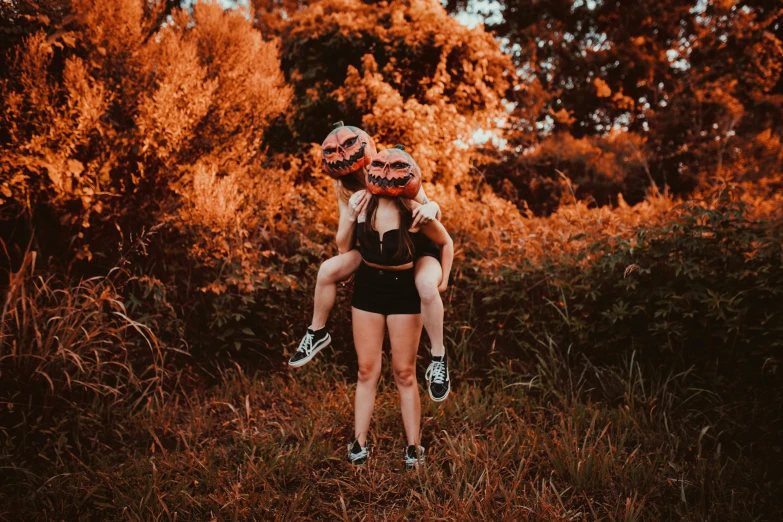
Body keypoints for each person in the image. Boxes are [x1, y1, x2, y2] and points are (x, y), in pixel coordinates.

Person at [288, 123, 451, 402]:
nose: (352, 171)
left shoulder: (389, 169)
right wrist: (350, 213)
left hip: (413, 249)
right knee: (327, 269)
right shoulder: (343, 188)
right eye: (344, 167)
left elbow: (428, 208)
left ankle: (439, 358)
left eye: (354, 164)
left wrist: (432, 207)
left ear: (366, 152)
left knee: (426, 286)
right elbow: (343, 246)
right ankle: (317, 332)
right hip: (371, 251)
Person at [343, 146, 454, 467]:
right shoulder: (363, 204)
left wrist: (443, 280)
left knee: (404, 373)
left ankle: (413, 447)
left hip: (404, 292)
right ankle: (359, 444)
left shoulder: (415, 209)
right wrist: (350, 215)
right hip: (368, 290)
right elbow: (343, 245)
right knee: (366, 370)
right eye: (379, 168)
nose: (386, 174)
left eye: (395, 169)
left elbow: (445, 242)